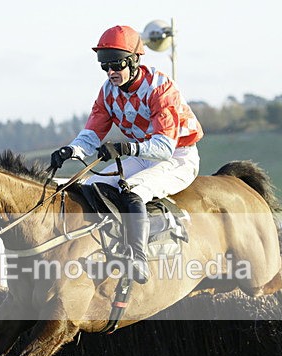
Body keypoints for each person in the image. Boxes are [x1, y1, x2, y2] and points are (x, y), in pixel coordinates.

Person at [49, 25, 203, 284]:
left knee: (132, 190)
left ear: (134, 61)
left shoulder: (160, 88)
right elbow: (92, 133)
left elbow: (164, 147)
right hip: (144, 154)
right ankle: (106, 249)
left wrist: (126, 148)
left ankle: (138, 258)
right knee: (90, 186)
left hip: (177, 156)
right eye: (105, 66)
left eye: (116, 65)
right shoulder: (108, 92)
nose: (111, 72)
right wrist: (71, 150)